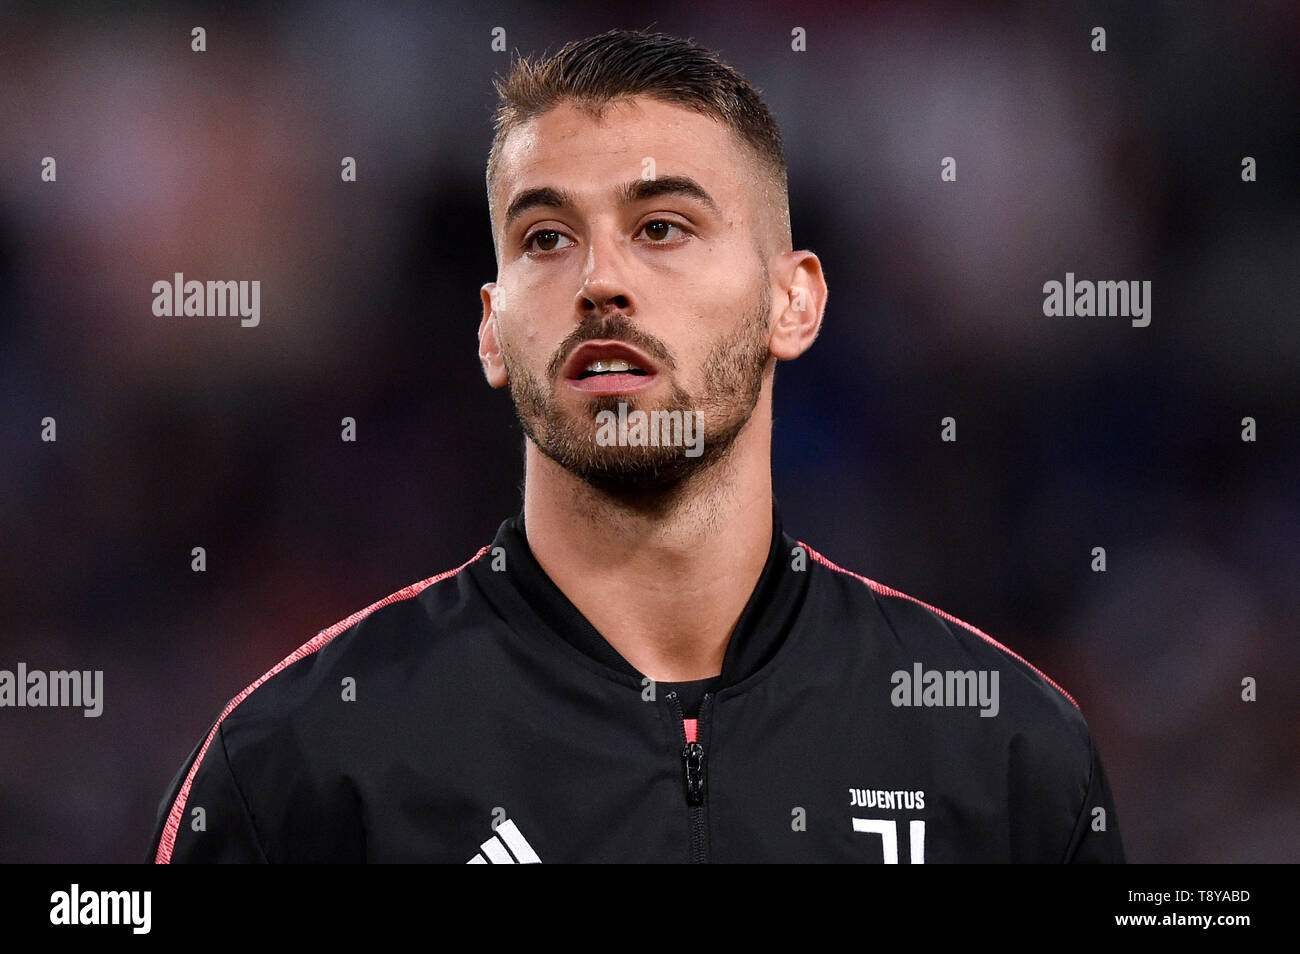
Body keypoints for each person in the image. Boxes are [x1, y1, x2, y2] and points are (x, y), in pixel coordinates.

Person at [150, 28, 1124, 863]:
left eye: (662, 227)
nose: (600, 279)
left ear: (793, 300)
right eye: (544, 238)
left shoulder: (999, 750)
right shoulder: (303, 760)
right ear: (491, 330)